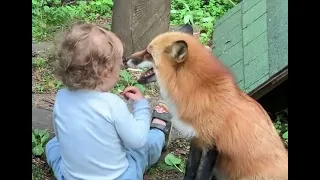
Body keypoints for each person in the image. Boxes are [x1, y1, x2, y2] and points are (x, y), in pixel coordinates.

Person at [45, 22, 173, 180]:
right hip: (119, 177)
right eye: (119, 63)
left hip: (70, 177)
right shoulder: (112, 104)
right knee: (142, 150)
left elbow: (60, 136)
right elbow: (138, 140)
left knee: (52, 146)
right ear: (105, 70)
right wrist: (141, 106)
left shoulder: (61, 97)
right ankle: (159, 133)